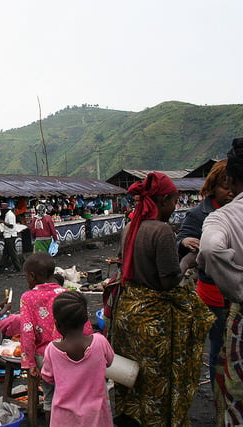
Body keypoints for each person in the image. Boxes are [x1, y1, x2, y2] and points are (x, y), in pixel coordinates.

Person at [111, 172, 213, 426]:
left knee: (133, 376)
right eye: (174, 202)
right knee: (156, 380)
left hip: (128, 311)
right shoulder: (162, 230)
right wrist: (188, 261)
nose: (175, 207)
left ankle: (131, 417)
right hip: (153, 320)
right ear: (165, 200)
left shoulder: (129, 227)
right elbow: (168, 281)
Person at [176, 159, 232, 389]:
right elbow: (181, 239)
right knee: (218, 344)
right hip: (213, 292)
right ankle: (220, 392)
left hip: (236, 289)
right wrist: (184, 242)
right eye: (223, 186)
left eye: (233, 186)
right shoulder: (200, 214)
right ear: (211, 187)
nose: (229, 191)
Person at [198, 137, 243, 426]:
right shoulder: (202, 213)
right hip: (213, 301)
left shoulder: (223, 218)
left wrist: (237, 286)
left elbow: (210, 249)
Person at [20, 252, 93, 422]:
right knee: (75, 394)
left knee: (50, 397)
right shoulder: (67, 293)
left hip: (45, 357)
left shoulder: (28, 297)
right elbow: (85, 326)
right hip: (73, 351)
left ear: (31, 276)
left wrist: (29, 363)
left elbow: (27, 331)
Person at [42, 291, 114, 427]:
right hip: (96, 415)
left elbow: (48, 377)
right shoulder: (100, 342)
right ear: (86, 319)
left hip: (64, 417)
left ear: (57, 324)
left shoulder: (52, 350)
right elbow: (109, 361)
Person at [0, 203, 21, 272]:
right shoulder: (8, 214)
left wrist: (3, 222)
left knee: (12, 252)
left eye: (2, 210)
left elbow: (11, 225)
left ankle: (17, 267)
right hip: (7, 235)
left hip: (10, 236)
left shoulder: (10, 215)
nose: (1, 211)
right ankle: (3, 266)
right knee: (6, 252)